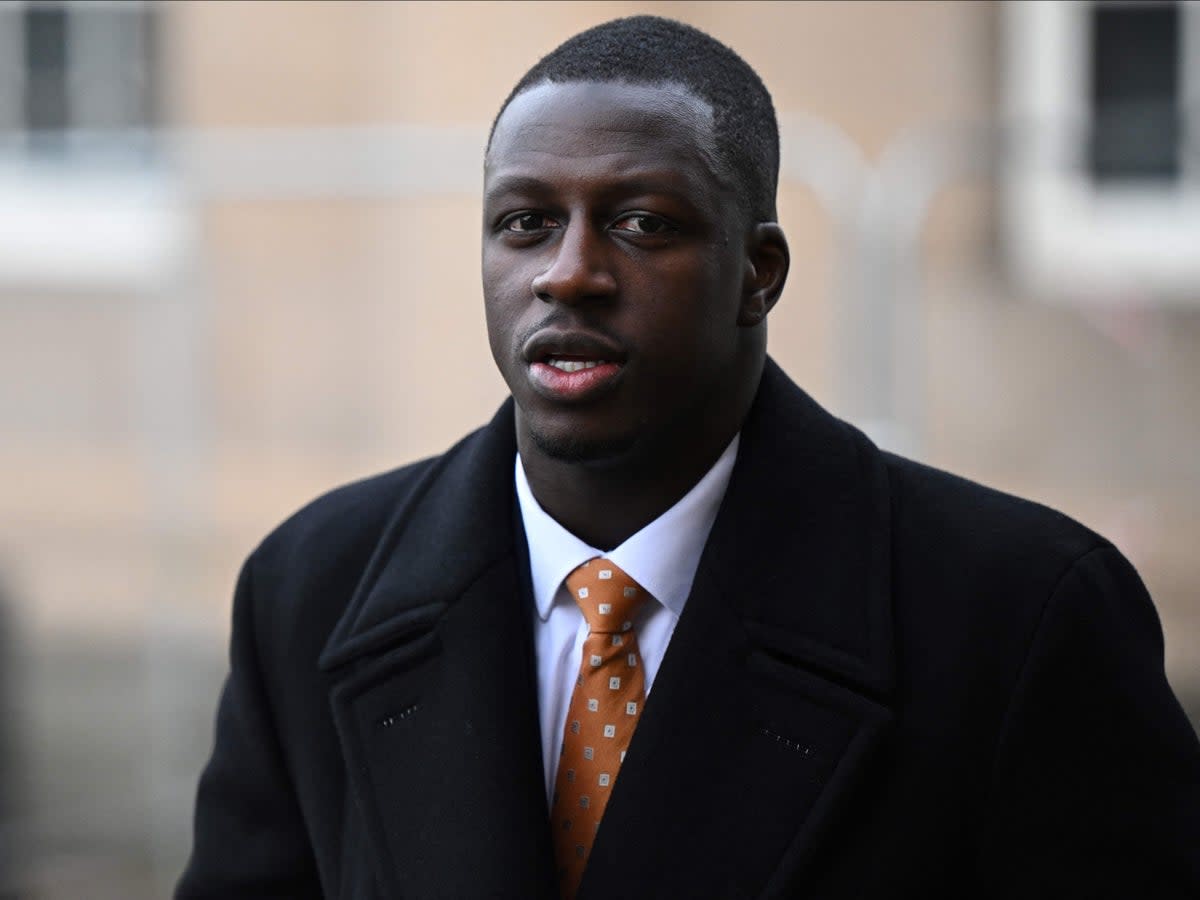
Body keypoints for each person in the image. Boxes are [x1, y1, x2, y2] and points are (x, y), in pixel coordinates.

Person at [177, 15, 1200, 900]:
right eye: (524, 224)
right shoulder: (312, 588)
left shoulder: (1016, 615)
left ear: (758, 272)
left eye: (640, 223)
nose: (568, 275)